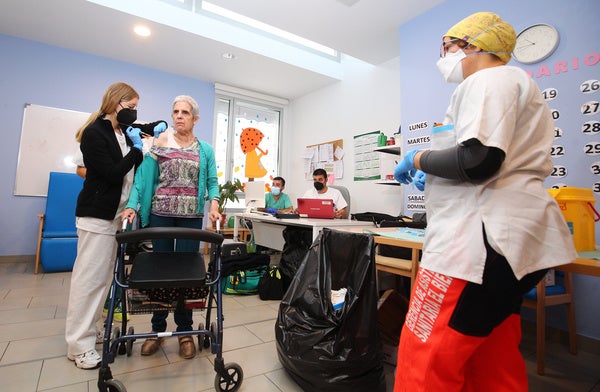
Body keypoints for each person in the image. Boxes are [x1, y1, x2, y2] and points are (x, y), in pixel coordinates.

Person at [392, 12, 577, 391]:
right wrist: (439, 169)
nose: (442, 57)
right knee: (491, 356)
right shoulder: (518, 84)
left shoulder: (489, 79)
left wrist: (418, 158)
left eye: (445, 47)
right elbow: (479, 158)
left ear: (472, 44)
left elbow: (478, 160)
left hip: (474, 247)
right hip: (513, 245)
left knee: (425, 357)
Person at [65, 82, 167, 370]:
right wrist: (136, 150)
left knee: (102, 280)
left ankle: (92, 329)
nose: (134, 114)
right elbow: (110, 174)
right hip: (96, 216)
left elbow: (153, 124)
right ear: (114, 102)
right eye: (130, 107)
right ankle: (79, 345)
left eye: (136, 108)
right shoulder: (94, 134)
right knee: (88, 280)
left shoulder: (119, 130)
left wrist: (157, 126)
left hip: (115, 217)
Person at [122, 95, 221, 360]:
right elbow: (143, 179)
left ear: (195, 118)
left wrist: (214, 205)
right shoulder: (160, 142)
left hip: (190, 219)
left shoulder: (205, 150)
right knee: (160, 272)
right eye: (175, 111)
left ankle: (185, 331)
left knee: (187, 274)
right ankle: (157, 330)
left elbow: (212, 182)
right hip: (160, 218)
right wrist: (132, 204)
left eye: (185, 112)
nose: (179, 116)